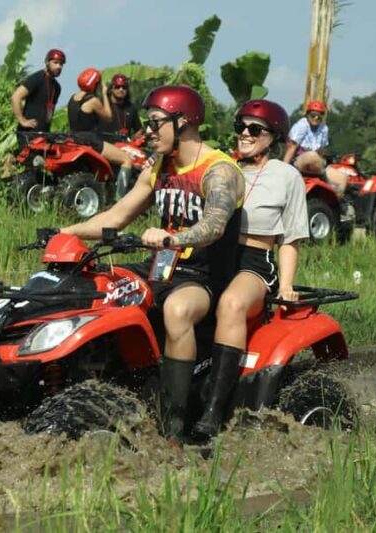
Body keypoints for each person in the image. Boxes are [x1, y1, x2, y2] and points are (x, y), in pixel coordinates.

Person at [61, 85, 245, 443]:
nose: (147, 131)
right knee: (100, 284)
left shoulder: (219, 170)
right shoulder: (160, 166)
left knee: (176, 310)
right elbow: (117, 215)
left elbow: (214, 226)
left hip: (203, 276)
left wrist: (172, 238)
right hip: (162, 266)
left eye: (155, 122)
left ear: (183, 122)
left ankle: (173, 424)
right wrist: (66, 232)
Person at [191, 99, 309, 440]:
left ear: (272, 137)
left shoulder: (287, 176)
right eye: (240, 126)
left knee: (231, 304)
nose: (245, 133)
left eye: (254, 129)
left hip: (254, 261)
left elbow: (290, 238)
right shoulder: (220, 166)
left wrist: (285, 287)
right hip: (210, 255)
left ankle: (213, 411)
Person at [67, 68, 134, 197]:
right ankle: (120, 199)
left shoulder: (73, 98)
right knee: (126, 160)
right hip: (90, 140)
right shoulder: (92, 100)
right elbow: (108, 117)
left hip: (74, 138)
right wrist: (104, 94)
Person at [283, 99, 348, 197]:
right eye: (313, 115)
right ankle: (325, 179)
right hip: (300, 160)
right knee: (312, 155)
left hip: (317, 165)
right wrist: (283, 168)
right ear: (308, 115)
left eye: (319, 116)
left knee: (343, 178)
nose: (316, 118)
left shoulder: (324, 129)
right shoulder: (302, 125)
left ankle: (335, 204)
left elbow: (321, 151)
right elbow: (292, 147)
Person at [11, 49, 65, 147]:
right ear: (47, 62)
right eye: (55, 62)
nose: (58, 66)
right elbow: (16, 96)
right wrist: (21, 120)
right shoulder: (38, 78)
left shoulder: (57, 87)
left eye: (61, 64)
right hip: (28, 134)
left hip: (43, 135)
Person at [99, 73, 143, 140]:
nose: (121, 89)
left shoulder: (130, 107)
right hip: (105, 146)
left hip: (125, 147)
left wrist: (134, 139)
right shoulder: (103, 104)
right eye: (117, 87)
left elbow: (139, 129)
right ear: (111, 89)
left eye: (124, 87)